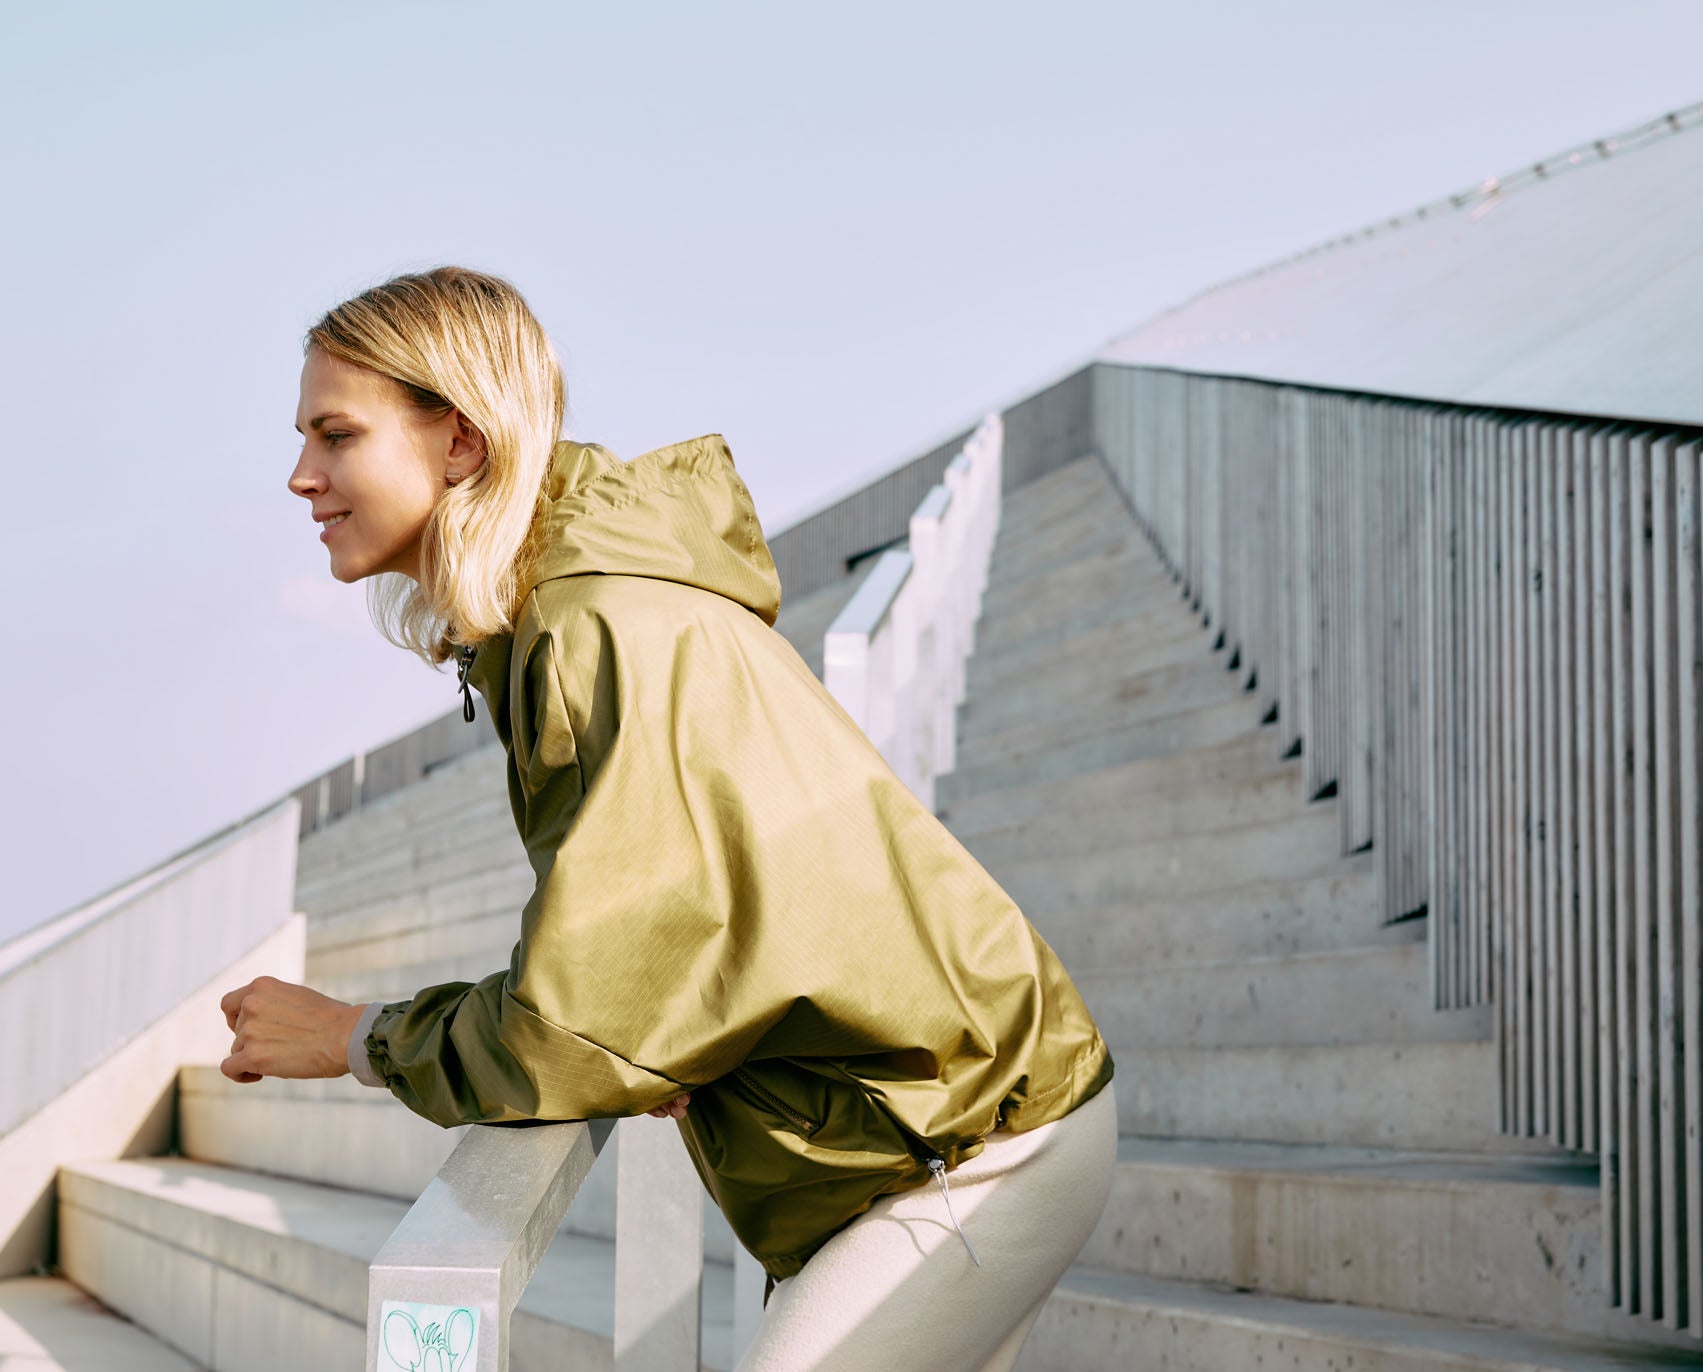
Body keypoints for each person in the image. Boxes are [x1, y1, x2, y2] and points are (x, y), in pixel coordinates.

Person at [223, 265, 1117, 1371]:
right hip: (918, 1134)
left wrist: (353, 1037)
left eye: (335, 435)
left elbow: (575, 1029)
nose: (302, 476)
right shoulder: (562, 613)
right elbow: (642, 986)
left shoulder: (594, 627)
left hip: (963, 1140)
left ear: (458, 442)